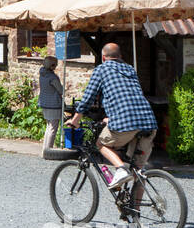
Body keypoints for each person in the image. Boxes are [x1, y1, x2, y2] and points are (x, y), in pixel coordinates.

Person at [67, 42, 157, 189]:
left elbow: (89, 97)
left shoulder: (101, 70)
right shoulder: (130, 69)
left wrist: (75, 119)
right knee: (138, 172)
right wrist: (111, 117)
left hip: (126, 122)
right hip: (148, 121)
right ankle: (134, 210)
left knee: (101, 144)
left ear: (103, 57)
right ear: (120, 56)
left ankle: (120, 170)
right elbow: (129, 96)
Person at [39, 55, 65, 150]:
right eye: (55, 65)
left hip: (44, 103)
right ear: (52, 66)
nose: (56, 67)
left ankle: (45, 148)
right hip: (53, 104)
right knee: (53, 128)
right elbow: (60, 90)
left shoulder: (42, 74)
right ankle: (48, 149)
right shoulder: (52, 77)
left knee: (48, 127)